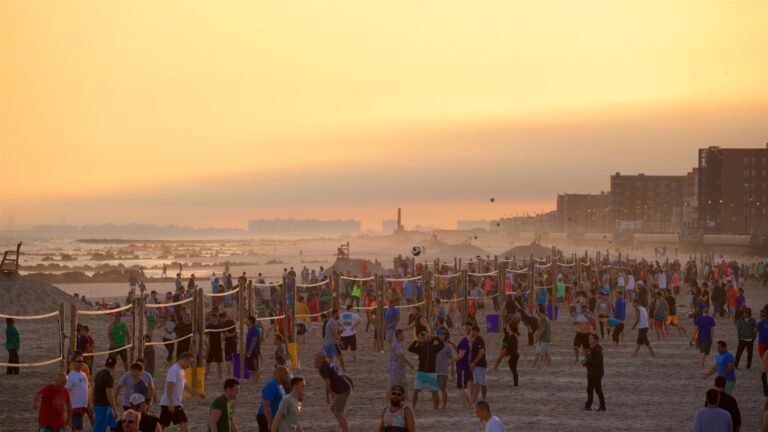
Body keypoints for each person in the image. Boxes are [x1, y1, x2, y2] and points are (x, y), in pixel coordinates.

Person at [159, 352, 206, 432]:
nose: (189, 365)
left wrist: (199, 394)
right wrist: (170, 402)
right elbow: (169, 387)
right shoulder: (174, 370)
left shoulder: (181, 370)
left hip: (172, 403)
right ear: (184, 360)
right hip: (172, 403)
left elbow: (185, 387)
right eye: (189, 363)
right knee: (182, 423)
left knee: (162, 426)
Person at [314, 351, 353, 432]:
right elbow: (341, 376)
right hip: (345, 387)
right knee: (334, 409)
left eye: (315, 358)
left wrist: (327, 395)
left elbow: (328, 382)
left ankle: (345, 429)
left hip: (343, 390)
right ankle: (342, 426)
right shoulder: (329, 364)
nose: (314, 360)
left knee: (337, 411)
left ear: (321, 359)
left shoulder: (323, 368)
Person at [408, 330, 445, 410]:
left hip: (431, 373)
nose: (428, 338)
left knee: (435, 391)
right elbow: (410, 348)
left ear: (432, 339)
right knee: (416, 390)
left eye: (429, 337)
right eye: (426, 337)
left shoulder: (434, 348)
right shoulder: (420, 348)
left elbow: (442, 344)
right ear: (424, 339)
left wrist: (436, 337)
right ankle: (413, 406)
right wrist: (416, 340)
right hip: (421, 372)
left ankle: (436, 407)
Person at [256, 366, 289, 432]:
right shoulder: (271, 385)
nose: (287, 375)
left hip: (275, 418)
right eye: (286, 373)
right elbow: (266, 405)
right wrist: (270, 422)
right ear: (279, 374)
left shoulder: (281, 386)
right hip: (265, 417)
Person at [65, 352, 91, 432]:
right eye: (78, 361)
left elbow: (87, 389)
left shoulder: (83, 374)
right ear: (73, 363)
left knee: (95, 424)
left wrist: (90, 403)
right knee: (77, 428)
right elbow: (65, 392)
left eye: (82, 361)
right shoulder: (70, 377)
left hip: (85, 405)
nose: (81, 363)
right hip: (75, 407)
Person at [93, 356, 119, 432]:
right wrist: (115, 409)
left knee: (113, 426)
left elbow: (93, 389)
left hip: (98, 404)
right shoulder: (109, 377)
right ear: (114, 366)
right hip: (104, 407)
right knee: (99, 429)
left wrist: (93, 401)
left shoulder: (99, 373)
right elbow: (109, 395)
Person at [388, 329, 415, 399]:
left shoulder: (397, 343)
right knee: (393, 387)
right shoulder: (397, 345)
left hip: (400, 369)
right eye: (402, 335)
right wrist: (410, 364)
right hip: (396, 369)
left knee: (404, 385)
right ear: (398, 336)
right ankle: (390, 402)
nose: (404, 336)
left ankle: (403, 400)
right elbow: (401, 356)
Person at [584, 333, 606, 412]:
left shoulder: (597, 351)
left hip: (596, 373)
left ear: (595, 340)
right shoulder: (591, 349)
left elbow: (595, 363)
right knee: (589, 389)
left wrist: (587, 359)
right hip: (590, 372)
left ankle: (603, 406)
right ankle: (588, 405)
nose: (589, 340)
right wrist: (584, 358)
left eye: (591, 338)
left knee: (598, 390)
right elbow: (585, 363)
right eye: (589, 338)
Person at [493, 321, 520, 386]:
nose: (506, 327)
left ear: (510, 328)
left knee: (514, 370)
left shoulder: (513, 336)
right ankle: (515, 384)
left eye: (507, 326)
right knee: (513, 369)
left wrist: (508, 355)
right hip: (512, 355)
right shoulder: (509, 335)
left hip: (514, 355)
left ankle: (516, 385)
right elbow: (505, 344)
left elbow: (513, 348)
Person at [434, 327, 455, 408]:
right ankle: (436, 405)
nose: (442, 336)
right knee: (435, 389)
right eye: (441, 335)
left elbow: (452, 358)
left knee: (443, 388)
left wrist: (452, 369)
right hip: (434, 370)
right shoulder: (434, 345)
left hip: (443, 371)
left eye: (443, 335)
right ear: (438, 335)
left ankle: (444, 405)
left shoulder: (448, 346)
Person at [454, 324, 473, 408]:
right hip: (464, 366)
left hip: (462, 366)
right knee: (464, 387)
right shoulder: (466, 340)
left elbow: (460, 355)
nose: (459, 330)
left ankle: (465, 404)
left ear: (466, 331)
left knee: (461, 387)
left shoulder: (464, 341)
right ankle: (470, 404)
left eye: (462, 329)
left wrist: (450, 361)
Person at [469, 325, 488, 403]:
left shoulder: (479, 340)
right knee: (476, 382)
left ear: (475, 331)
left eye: (472, 331)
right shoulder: (476, 340)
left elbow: (482, 352)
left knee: (479, 383)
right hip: (477, 365)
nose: (471, 333)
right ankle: (473, 400)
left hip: (480, 365)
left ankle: (478, 399)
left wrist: (474, 362)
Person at [206, 312, 224, 379]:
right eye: (211, 318)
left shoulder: (220, 325)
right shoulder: (208, 326)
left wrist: (220, 342)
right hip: (210, 346)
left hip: (217, 346)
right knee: (208, 362)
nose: (212, 319)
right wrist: (207, 345)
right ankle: (205, 376)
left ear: (216, 318)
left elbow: (224, 334)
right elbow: (206, 336)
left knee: (219, 362)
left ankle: (220, 377)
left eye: (213, 318)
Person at [245, 316, 263, 384]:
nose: (246, 321)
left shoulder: (254, 330)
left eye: (247, 320)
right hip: (249, 351)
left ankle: (256, 380)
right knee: (251, 367)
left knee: (255, 367)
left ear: (250, 321)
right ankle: (254, 380)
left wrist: (250, 350)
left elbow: (254, 341)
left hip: (253, 351)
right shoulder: (249, 329)